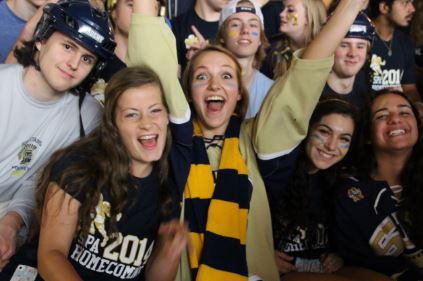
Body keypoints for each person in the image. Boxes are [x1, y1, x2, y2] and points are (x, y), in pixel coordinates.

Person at [128, 0, 368, 280]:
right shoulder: (171, 141)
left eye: (227, 76)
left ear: (240, 94)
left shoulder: (256, 139)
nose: (215, 85)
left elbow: (302, 78)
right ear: (188, 93)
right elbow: (153, 70)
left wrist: (350, 7)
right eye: (202, 76)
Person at [0, 66, 189, 280]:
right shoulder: (79, 167)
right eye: (132, 114)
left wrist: (168, 252)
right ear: (113, 127)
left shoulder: (166, 188)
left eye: (155, 110)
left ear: (166, 117)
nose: (146, 123)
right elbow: (51, 256)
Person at [0, 0, 115, 270]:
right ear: (41, 39)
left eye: (87, 58)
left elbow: (39, 181)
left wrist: (13, 221)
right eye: (67, 46)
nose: (74, 64)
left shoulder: (89, 115)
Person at [260, 99, 357, 276]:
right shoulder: (275, 173)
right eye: (324, 132)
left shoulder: (344, 184)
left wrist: (338, 256)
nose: (332, 146)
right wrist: (260, 254)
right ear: (307, 129)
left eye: (344, 139)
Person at [333, 89, 423, 280]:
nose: (395, 119)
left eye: (404, 112)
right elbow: (349, 267)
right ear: (366, 134)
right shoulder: (349, 193)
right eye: (382, 115)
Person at [215, 0, 273, 118]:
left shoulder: (273, 91)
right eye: (235, 24)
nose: (245, 30)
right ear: (222, 36)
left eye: (253, 25)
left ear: (261, 39)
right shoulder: (211, 85)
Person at [367, 0, 419, 101]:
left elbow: (409, 88)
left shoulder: (405, 42)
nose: (412, 9)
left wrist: (419, 106)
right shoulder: (360, 41)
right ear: (384, 7)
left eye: (412, 3)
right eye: (405, 2)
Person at [260, 0, 327, 79]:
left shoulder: (326, 50)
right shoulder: (271, 49)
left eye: (290, 10)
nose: (281, 14)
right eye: (283, 9)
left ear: (309, 17)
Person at [321, 11, 374, 108]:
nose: (353, 53)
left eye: (360, 47)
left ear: (367, 53)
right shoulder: (313, 93)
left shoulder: (368, 94)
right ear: (329, 49)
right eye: (344, 45)